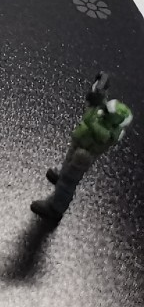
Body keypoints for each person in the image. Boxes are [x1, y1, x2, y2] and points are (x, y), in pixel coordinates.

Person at [32, 73, 131, 223]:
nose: (104, 110)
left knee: (68, 182)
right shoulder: (105, 117)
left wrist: (94, 104)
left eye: (108, 111)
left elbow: (90, 120)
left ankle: (55, 208)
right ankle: (62, 175)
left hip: (83, 155)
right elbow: (101, 104)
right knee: (67, 163)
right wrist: (99, 90)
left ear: (115, 120)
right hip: (79, 144)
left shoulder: (108, 134)